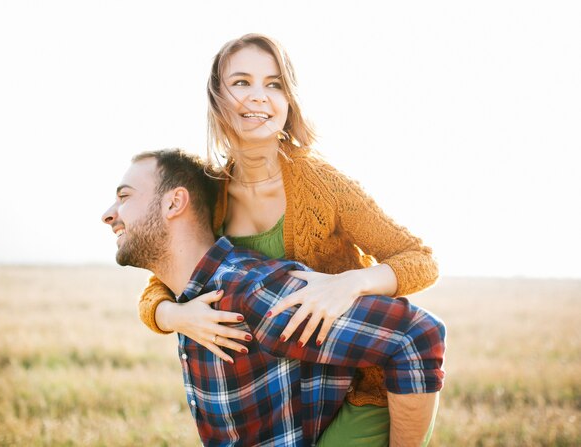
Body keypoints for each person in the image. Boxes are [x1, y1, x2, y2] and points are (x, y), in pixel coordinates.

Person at [139, 34, 440, 446]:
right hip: (284, 400)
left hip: (358, 387)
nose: (259, 96)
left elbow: (420, 258)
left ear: (288, 101)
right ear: (217, 99)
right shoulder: (211, 195)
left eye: (274, 84)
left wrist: (351, 282)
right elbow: (164, 281)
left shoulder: (320, 183)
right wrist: (175, 317)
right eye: (241, 83)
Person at [101, 149, 446, 446]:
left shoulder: (252, 293)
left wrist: (353, 282)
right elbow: (157, 292)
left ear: (175, 202)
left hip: (366, 405)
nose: (109, 213)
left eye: (125, 196)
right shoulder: (195, 297)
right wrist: (169, 314)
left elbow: (416, 334)